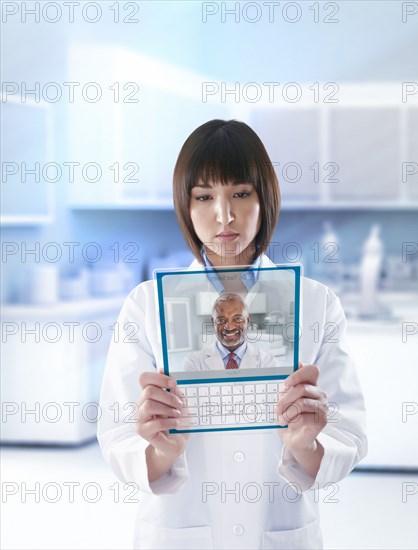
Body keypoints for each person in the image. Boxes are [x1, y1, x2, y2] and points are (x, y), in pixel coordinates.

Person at [97, 119, 367, 550]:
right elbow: (116, 434)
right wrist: (161, 448)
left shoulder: (316, 303)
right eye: (204, 197)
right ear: (185, 206)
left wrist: (306, 446)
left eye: (241, 193)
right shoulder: (145, 305)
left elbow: (349, 432)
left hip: (279, 530)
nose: (224, 215)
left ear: (266, 198)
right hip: (180, 530)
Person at [182, 292, 276, 371]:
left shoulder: (267, 362)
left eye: (237, 319)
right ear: (213, 322)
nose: (229, 327)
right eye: (221, 320)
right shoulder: (194, 363)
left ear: (247, 320)